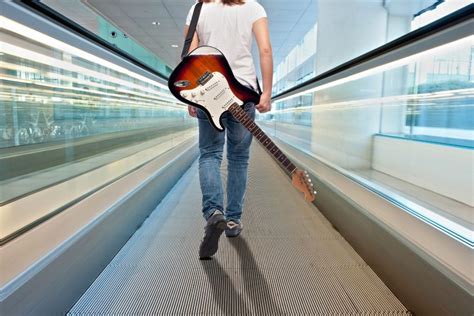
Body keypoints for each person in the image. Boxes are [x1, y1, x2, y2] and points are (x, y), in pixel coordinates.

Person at [184, 0, 273, 259]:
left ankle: (214, 213)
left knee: (210, 154)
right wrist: (266, 92)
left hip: (208, 91)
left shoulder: (198, 8)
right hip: (243, 92)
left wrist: (190, 97)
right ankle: (233, 221)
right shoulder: (253, 8)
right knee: (239, 159)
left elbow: (191, 54)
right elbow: (265, 50)